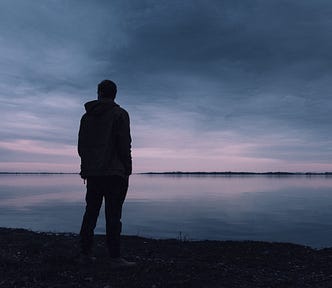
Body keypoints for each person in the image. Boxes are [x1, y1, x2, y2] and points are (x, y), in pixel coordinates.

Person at [78, 79, 134, 267]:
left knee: (90, 213)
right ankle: (115, 257)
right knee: (113, 216)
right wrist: (127, 168)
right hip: (114, 173)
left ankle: (85, 254)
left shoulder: (86, 117)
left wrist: (86, 167)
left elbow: (81, 146)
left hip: (93, 173)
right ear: (115, 94)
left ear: (99, 93)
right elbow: (124, 144)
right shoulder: (120, 114)